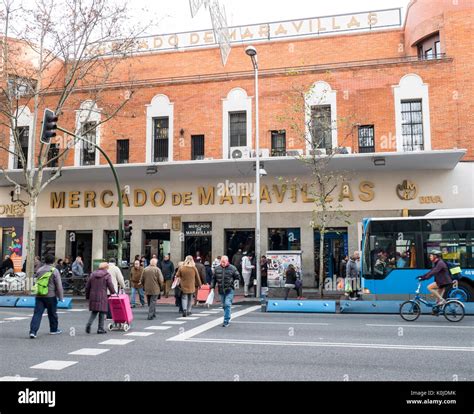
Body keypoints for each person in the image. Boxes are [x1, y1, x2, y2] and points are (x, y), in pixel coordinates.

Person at [29, 254, 64, 338]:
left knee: (37, 314)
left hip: (39, 295)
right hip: (50, 295)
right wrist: (61, 297)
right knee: (52, 313)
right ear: (53, 262)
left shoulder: (39, 270)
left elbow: (36, 282)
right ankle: (53, 329)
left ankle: (33, 331)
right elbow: (59, 285)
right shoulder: (54, 270)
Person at [85, 262, 116, 334]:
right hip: (102, 295)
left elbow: (87, 286)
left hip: (93, 295)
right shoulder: (107, 275)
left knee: (94, 311)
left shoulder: (92, 274)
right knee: (102, 312)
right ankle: (100, 328)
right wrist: (113, 292)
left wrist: (87, 296)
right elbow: (110, 285)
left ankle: (89, 324)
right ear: (106, 268)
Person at [212, 256, 240, 327]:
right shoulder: (217, 268)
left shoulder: (232, 268)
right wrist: (212, 286)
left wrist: (234, 283)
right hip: (221, 289)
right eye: (222, 261)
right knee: (223, 305)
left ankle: (226, 320)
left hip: (229, 289)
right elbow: (214, 278)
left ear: (227, 261)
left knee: (227, 304)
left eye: (224, 262)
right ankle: (227, 316)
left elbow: (238, 276)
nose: (223, 263)